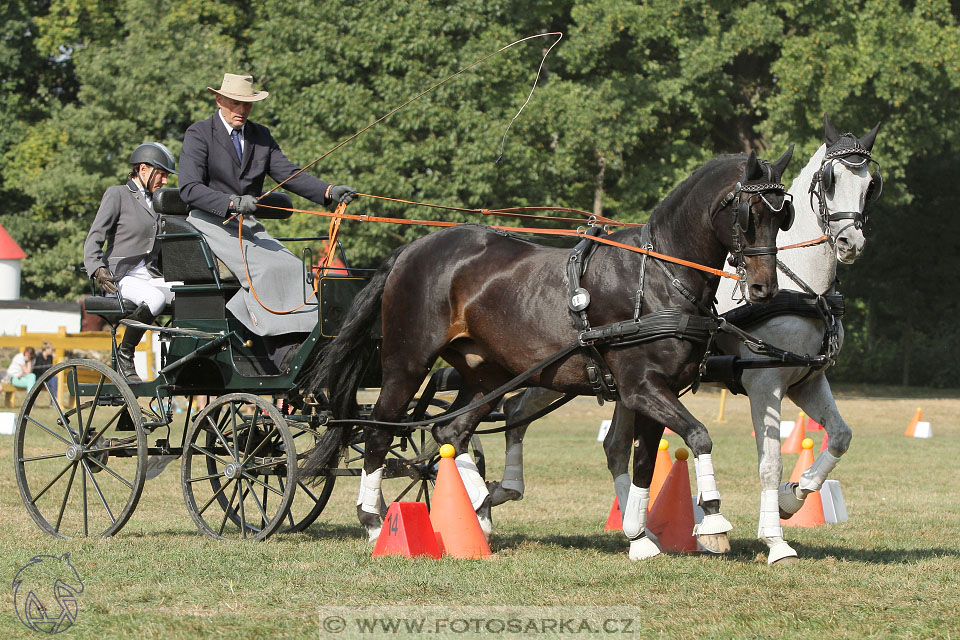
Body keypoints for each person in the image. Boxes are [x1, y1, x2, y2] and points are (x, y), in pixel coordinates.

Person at [178, 73, 357, 351]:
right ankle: (272, 341)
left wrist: (328, 191)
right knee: (267, 269)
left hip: (246, 224)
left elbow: (289, 174)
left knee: (296, 268)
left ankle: (301, 340)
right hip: (210, 222)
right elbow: (189, 189)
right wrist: (231, 202)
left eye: (247, 104)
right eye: (235, 103)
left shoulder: (261, 136)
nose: (241, 110)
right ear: (220, 100)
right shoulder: (199, 133)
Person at [83, 142, 180, 382]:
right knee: (155, 299)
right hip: (120, 277)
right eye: (162, 175)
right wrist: (96, 268)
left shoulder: (159, 201)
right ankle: (125, 353)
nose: (165, 181)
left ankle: (177, 359)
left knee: (188, 295)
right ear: (144, 169)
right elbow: (95, 235)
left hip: (151, 274)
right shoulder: (117, 194)